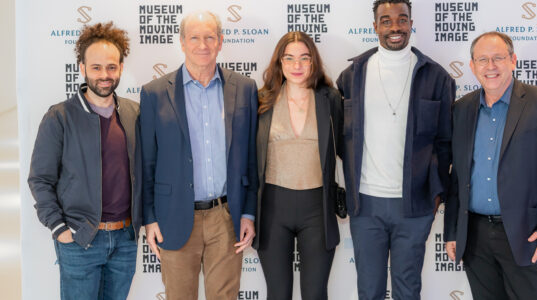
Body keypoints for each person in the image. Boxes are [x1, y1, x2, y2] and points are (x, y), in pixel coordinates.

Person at [444, 31, 537, 300]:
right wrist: (452, 231)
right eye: (482, 59)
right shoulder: (461, 109)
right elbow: (457, 177)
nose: (490, 66)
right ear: (472, 66)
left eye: (498, 58)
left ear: (513, 60)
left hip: (526, 235)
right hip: (475, 236)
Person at [336, 0, 454, 299]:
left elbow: (445, 141)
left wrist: (435, 193)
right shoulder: (352, 75)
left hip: (414, 205)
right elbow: (341, 137)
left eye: (402, 19)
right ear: (375, 26)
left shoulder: (437, 77)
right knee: (369, 289)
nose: (395, 27)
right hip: (366, 205)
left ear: (411, 23)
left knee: (407, 288)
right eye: (386, 21)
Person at [139, 10, 258, 300]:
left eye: (209, 37)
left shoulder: (244, 88)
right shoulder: (154, 93)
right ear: (182, 42)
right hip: (174, 216)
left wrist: (248, 212)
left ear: (220, 41)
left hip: (226, 217)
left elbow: (253, 158)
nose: (202, 44)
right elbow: (146, 163)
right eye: (194, 37)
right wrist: (150, 218)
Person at [28, 22, 141, 300]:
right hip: (80, 239)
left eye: (112, 67)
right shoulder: (60, 117)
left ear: (121, 68)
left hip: (125, 239)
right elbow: (40, 179)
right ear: (82, 68)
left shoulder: (134, 113)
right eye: (97, 67)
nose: (105, 75)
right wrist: (59, 228)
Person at [253, 31, 342, 300]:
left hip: (317, 208)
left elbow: (347, 152)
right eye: (289, 58)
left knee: (315, 294)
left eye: (305, 58)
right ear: (279, 63)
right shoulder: (262, 100)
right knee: (278, 294)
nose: (297, 65)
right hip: (273, 208)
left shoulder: (331, 99)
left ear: (314, 62)